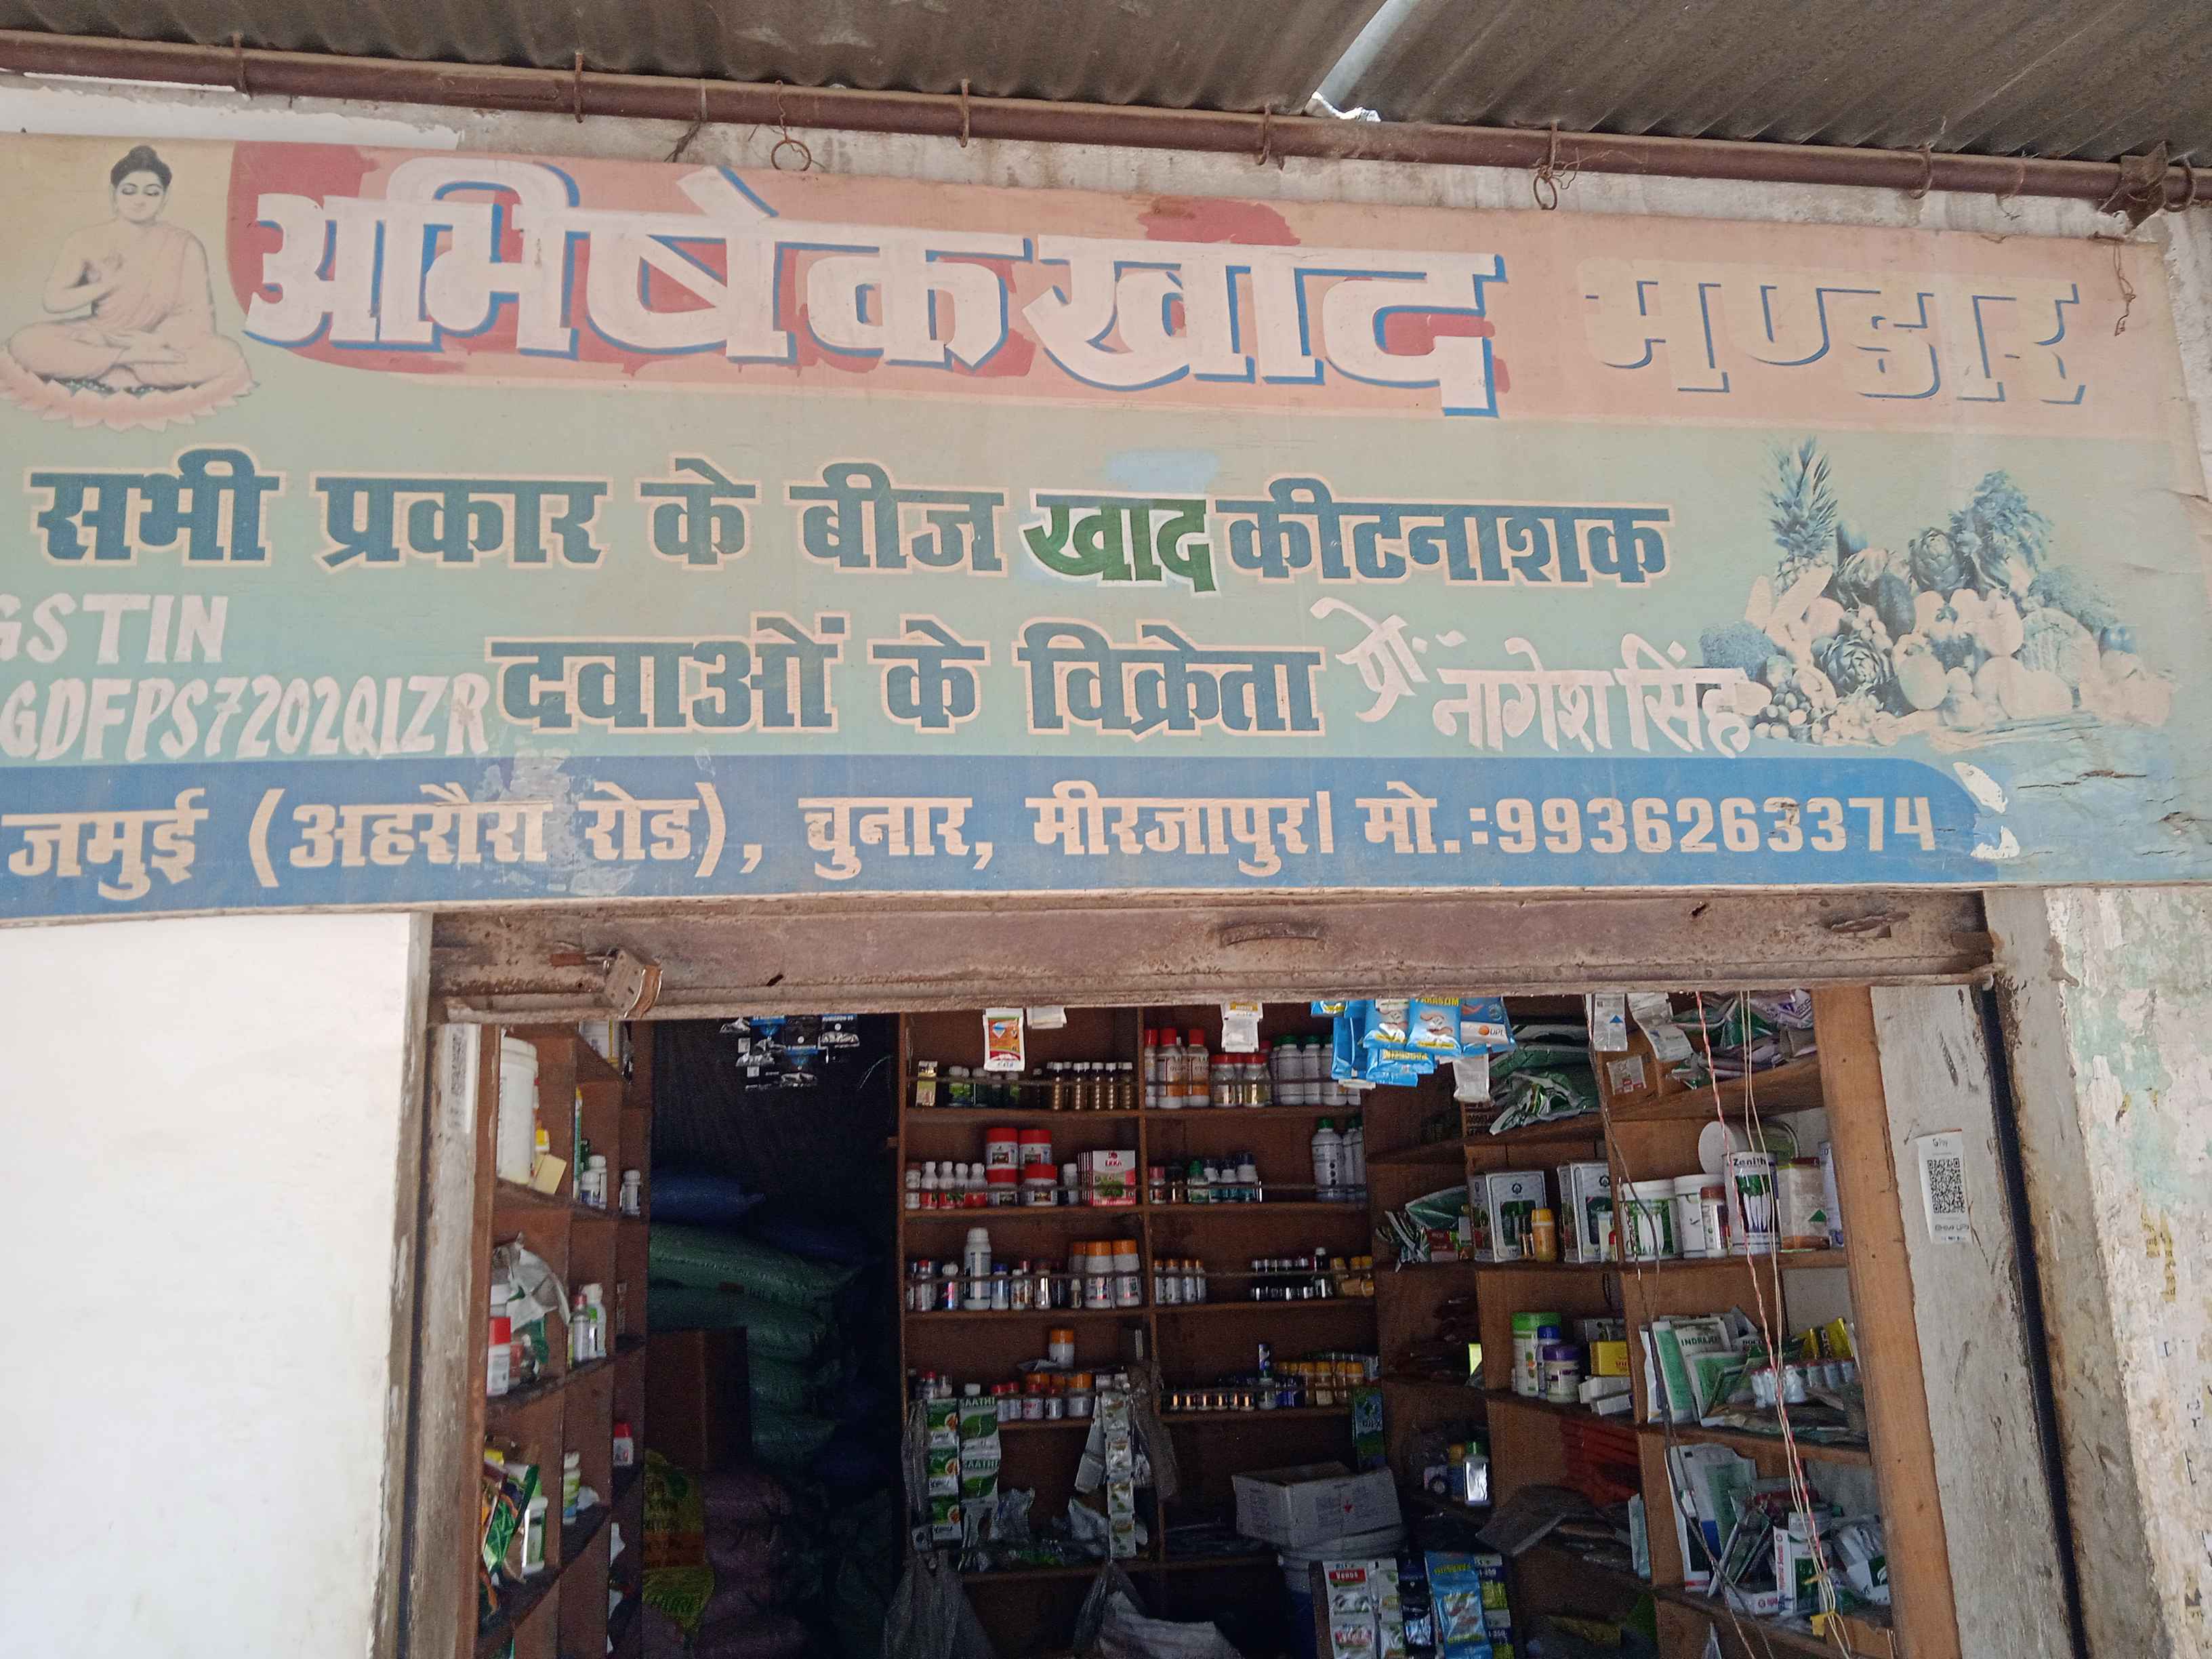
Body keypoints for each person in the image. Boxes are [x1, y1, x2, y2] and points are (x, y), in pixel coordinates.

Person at [5, 144, 251, 403]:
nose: (139, 200)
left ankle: (109, 366)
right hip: (101, 335)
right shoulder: (85, 240)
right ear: (113, 193)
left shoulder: (185, 244)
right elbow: (54, 301)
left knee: (226, 354)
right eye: (129, 191)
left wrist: (153, 341)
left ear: (165, 197)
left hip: (155, 341)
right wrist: (106, 286)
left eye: (152, 192)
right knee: (25, 343)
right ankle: (128, 362)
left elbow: (197, 318)